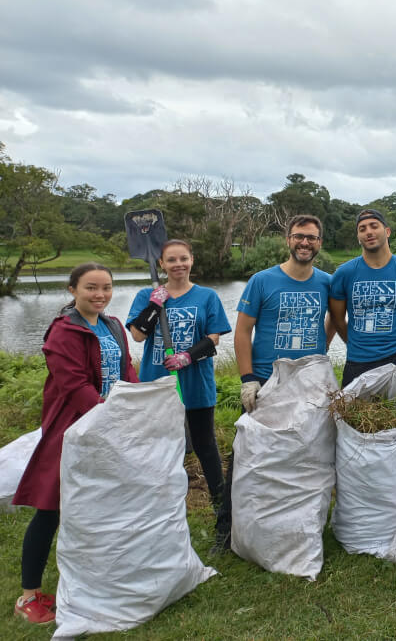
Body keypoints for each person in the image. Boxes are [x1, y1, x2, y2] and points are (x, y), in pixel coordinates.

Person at [12, 264, 138, 624]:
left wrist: (134, 404)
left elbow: (125, 369)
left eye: (107, 288)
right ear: (72, 290)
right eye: (91, 288)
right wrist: (107, 416)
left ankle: (97, 579)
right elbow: (74, 385)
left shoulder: (113, 325)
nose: (100, 295)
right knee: (50, 507)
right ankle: (28, 596)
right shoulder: (63, 332)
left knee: (104, 503)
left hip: (111, 426)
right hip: (73, 430)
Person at [212, 215, 334, 553]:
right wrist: (248, 378)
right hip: (266, 381)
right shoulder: (262, 281)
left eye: (311, 237)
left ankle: (292, 523)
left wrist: (319, 351)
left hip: (308, 382)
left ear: (319, 243)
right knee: (246, 454)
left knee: (305, 453)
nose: (304, 243)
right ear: (288, 240)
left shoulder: (326, 282)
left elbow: (335, 321)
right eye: (298, 237)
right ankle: (226, 528)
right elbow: (242, 332)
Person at [127, 239, 232, 508]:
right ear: (161, 264)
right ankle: (159, 504)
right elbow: (138, 336)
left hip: (196, 383)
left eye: (183, 258)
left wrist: (187, 357)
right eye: (171, 260)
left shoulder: (207, 296)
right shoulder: (145, 296)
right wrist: (153, 306)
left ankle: (220, 505)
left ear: (192, 260)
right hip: (157, 384)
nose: (178, 265)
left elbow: (214, 338)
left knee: (204, 445)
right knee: (158, 447)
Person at [329, 208, 396, 387]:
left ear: (387, 231)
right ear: (358, 237)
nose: (369, 232)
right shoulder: (344, 273)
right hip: (357, 361)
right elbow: (337, 318)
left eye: (374, 226)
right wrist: (353, 343)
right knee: (352, 414)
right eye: (362, 229)